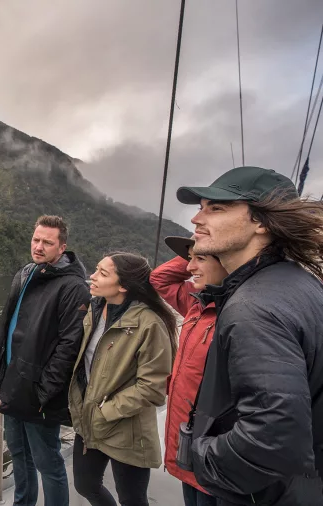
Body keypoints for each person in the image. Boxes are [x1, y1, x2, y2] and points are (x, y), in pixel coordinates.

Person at [177, 166, 323, 505]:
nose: (197, 218)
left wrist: (203, 459)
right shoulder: (297, 284)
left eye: (216, 207)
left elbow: (274, 438)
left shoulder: (254, 307)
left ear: (260, 222)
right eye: (200, 206)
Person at [0, 215, 90, 506]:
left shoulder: (73, 287)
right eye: (36, 239)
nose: (39, 246)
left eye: (48, 242)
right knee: (19, 456)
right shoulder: (26, 274)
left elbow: (70, 346)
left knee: (48, 462)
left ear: (62, 247)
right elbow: (8, 328)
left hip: (40, 395)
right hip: (13, 386)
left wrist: (44, 391)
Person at [68, 252, 176, 506]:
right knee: (85, 485)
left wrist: (107, 410)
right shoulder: (94, 310)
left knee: (132, 499)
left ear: (123, 285)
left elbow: (153, 387)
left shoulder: (149, 324)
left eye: (103, 273)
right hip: (89, 419)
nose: (92, 276)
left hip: (126, 426)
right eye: (95, 269)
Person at [150, 236, 226, 506]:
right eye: (189, 258)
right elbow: (160, 278)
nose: (191, 266)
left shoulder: (238, 314)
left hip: (214, 452)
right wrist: (197, 248)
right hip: (186, 443)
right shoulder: (196, 305)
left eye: (201, 258)